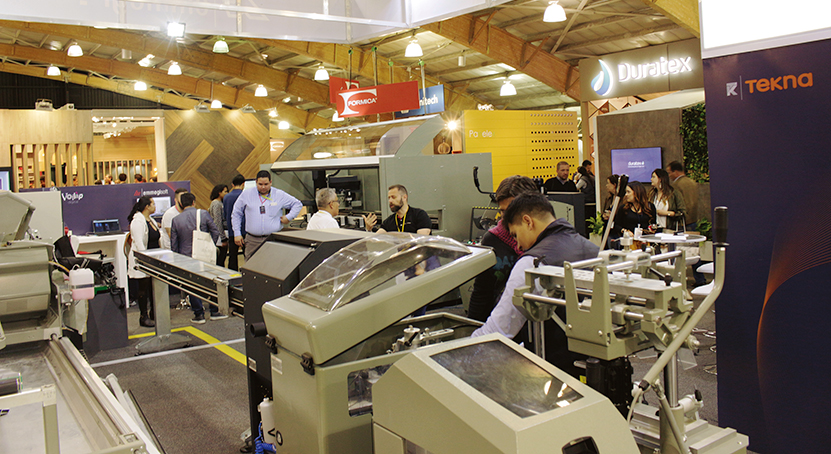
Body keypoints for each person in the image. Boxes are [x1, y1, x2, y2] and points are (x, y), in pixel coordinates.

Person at [471, 193, 599, 376]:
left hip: (553, 371)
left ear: (528, 221)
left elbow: (499, 329)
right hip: (595, 366)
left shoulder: (532, 262)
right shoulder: (594, 250)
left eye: (515, 235)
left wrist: (463, 356)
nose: (518, 245)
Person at [467, 175, 538, 323]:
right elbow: (482, 292)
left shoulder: (545, 240)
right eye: (504, 211)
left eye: (513, 211)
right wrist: (473, 327)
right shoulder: (492, 240)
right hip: (503, 322)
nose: (508, 218)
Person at [171, 192, 226, 324]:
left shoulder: (176, 220)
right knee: (211, 282)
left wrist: (177, 258)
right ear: (194, 202)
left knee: (192, 285)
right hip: (204, 255)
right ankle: (214, 311)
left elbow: (174, 244)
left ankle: (199, 314)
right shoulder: (203, 214)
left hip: (186, 256)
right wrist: (211, 245)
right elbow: (215, 231)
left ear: (180, 204)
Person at [232, 170, 302, 262]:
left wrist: (289, 217)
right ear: (256, 182)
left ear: (270, 182)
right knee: (251, 264)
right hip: (253, 240)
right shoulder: (246, 194)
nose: (263, 187)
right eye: (260, 184)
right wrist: (237, 233)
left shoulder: (279, 194)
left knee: (274, 264)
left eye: (266, 184)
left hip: (273, 239)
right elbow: (236, 213)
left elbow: (297, 204)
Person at [127, 196, 160, 328]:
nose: (155, 207)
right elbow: (139, 242)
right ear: (147, 206)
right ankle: (143, 316)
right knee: (143, 289)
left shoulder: (151, 220)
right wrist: (145, 259)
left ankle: (154, 312)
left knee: (152, 288)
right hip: (143, 260)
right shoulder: (138, 221)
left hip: (154, 259)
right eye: (153, 204)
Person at [362, 184, 431, 235]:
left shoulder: (419, 215)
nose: (390, 201)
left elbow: (421, 240)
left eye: (393, 197)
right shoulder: (389, 221)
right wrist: (369, 230)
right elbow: (376, 239)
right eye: (389, 198)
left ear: (404, 197)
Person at [666, 161, 699, 231]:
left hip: (681, 222)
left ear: (675, 172)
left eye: (669, 173)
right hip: (693, 219)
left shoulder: (676, 185)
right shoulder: (692, 182)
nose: (669, 176)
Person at [224, 175, 246, 271]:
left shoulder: (226, 197)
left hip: (231, 230)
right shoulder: (245, 195)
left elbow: (225, 214)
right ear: (243, 184)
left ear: (232, 184)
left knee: (232, 256)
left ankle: (232, 275)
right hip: (245, 229)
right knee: (247, 255)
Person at [209, 184, 229, 267]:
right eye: (225, 192)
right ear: (219, 192)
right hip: (219, 237)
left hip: (222, 234)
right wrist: (223, 238)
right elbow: (217, 221)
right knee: (220, 260)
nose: (227, 193)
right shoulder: (216, 204)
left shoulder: (221, 203)